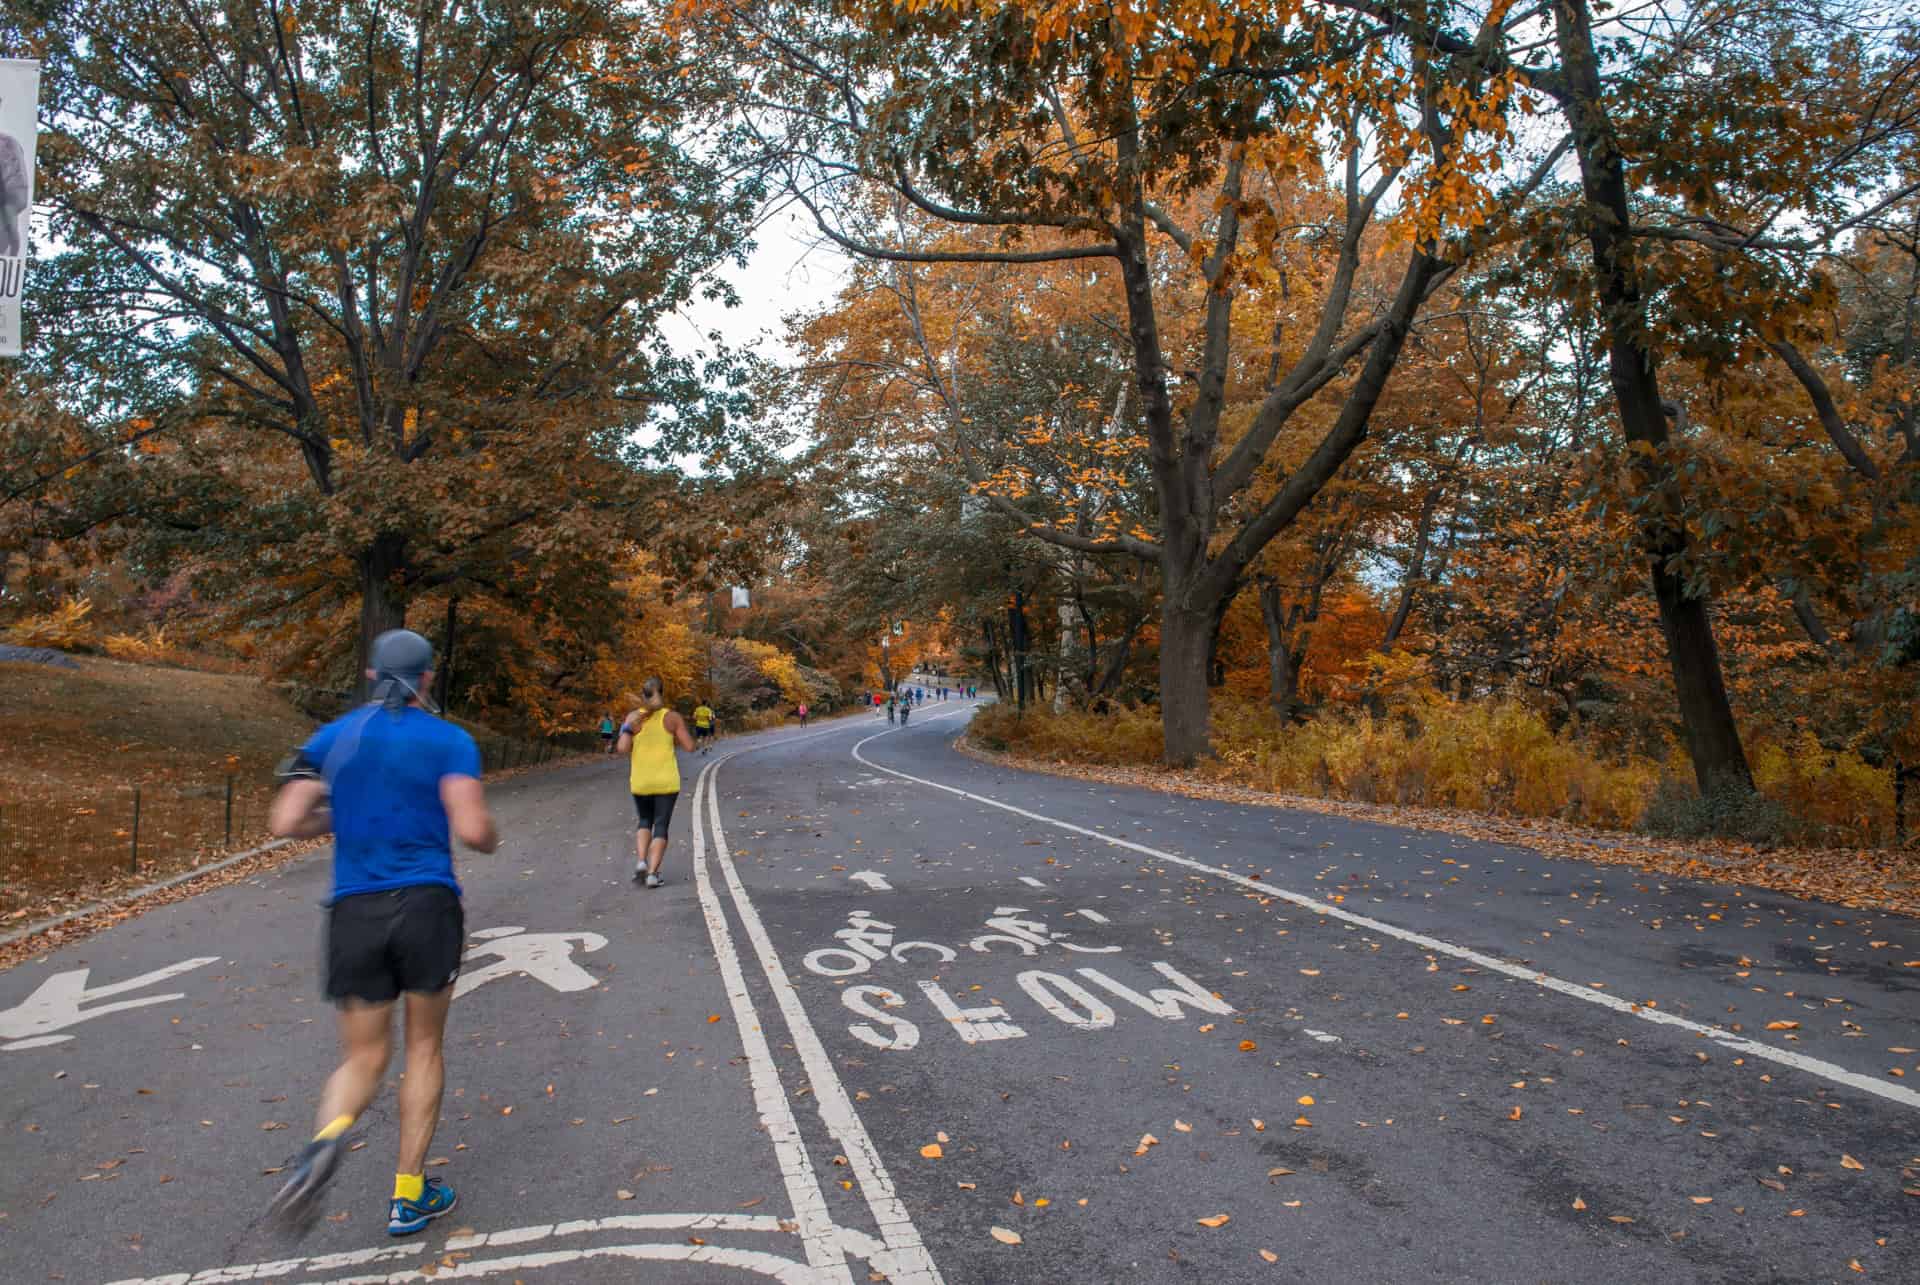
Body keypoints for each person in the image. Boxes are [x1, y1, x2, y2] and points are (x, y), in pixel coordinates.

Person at [265, 629, 498, 1237]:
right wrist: (489, 835)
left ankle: (323, 1143)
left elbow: (287, 821)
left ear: (370, 675)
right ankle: (408, 1194)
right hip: (425, 905)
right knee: (423, 1048)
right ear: (428, 679)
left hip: (355, 911)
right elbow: (473, 830)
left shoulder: (333, 737)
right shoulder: (449, 739)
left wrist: (337, 816)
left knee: (364, 1056)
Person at [616, 676, 694, 888]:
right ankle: (652, 874)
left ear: (643, 694)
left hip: (641, 780)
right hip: (666, 781)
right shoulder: (672, 717)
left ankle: (641, 861)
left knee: (644, 820)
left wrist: (627, 729)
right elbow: (689, 746)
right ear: (663, 692)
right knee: (661, 825)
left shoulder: (633, 718)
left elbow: (622, 748)